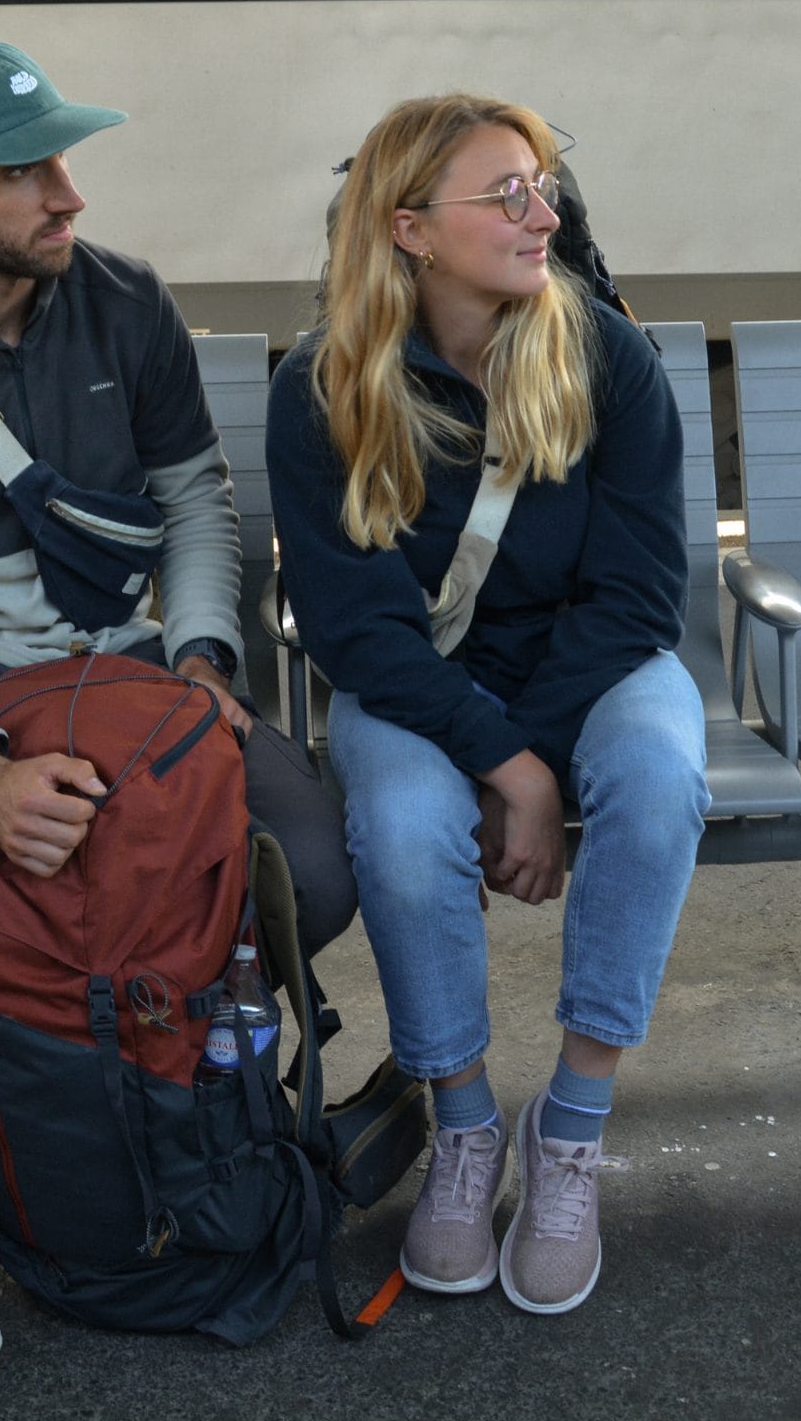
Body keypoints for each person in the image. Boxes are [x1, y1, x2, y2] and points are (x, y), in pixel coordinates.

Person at [0, 40, 355, 1380]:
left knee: (310, 868)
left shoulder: (125, 305)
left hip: (132, 669)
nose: (65, 195)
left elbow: (195, 508)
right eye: (24, 171)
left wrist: (205, 670)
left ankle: (182, 1106)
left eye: (63, 161)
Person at [266, 93, 706, 1317]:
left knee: (662, 783)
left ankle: (568, 1129)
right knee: (405, 829)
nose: (543, 212)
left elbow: (637, 596)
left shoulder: (604, 352)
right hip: (420, 683)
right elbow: (360, 634)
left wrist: (538, 754)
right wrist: (505, 764)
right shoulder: (325, 386)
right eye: (504, 194)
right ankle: (462, 1126)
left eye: (543, 186)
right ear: (408, 228)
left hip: (594, 664)